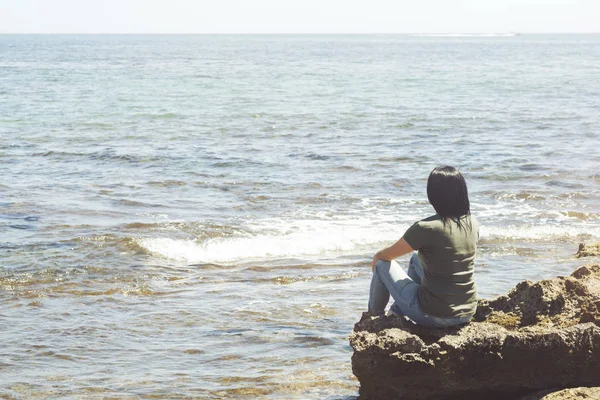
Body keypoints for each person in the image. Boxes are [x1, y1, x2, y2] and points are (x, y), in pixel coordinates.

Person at [368, 166, 478, 328]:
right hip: (467, 311)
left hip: (436, 316)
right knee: (415, 259)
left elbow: (385, 257)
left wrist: (376, 258)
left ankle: (373, 320)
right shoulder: (471, 222)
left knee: (381, 264)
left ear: (433, 195)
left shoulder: (426, 227)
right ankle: (397, 311)